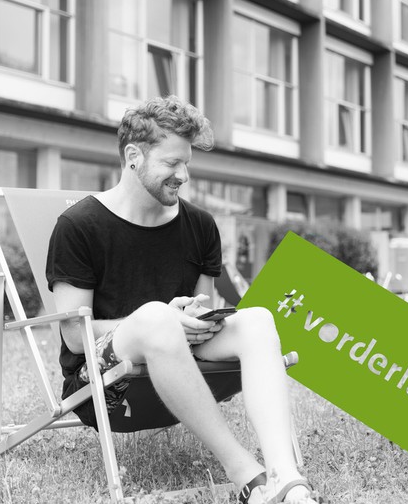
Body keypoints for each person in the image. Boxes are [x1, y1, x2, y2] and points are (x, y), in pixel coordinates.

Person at [46, 96, 321, 504]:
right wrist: (159, 321)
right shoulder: (79, 226)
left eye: (187, 163)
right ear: (134, 157)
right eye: (172, 163)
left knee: (258, 319)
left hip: (184, 371)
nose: (184, 175)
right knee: (157, 317)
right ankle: (248, 477)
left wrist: (195, 318)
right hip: (103, 386)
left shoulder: (201, 225)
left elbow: (202, 307)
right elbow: (73, 337)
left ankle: (286, 476)